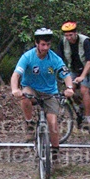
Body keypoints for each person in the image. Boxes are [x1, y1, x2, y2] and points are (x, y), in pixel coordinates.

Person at [10, 27, 74, 161]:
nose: (46, 48)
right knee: (25, 96)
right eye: (43, 44)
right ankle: (29, 124)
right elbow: (16, 75)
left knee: (52, 122)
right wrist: (15, 89)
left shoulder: (54, 58)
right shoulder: (27, 57)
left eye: (48, 44)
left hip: (50, 92)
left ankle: (55, 150)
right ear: (36, 43)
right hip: (31, 89)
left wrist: (69, 87)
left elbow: (66, 74)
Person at [57, 21, 90, 130]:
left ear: (75, 33)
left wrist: (82, 76)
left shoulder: (85, 41)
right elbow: (59, 60)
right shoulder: (63, 42)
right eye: (66, 35)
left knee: (84, 89)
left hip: (88, 69)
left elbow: (89, 61)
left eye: (71, 35)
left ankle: (87, 118)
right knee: (70, 90)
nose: (69, 38)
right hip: (74, 69)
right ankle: (81, 105)